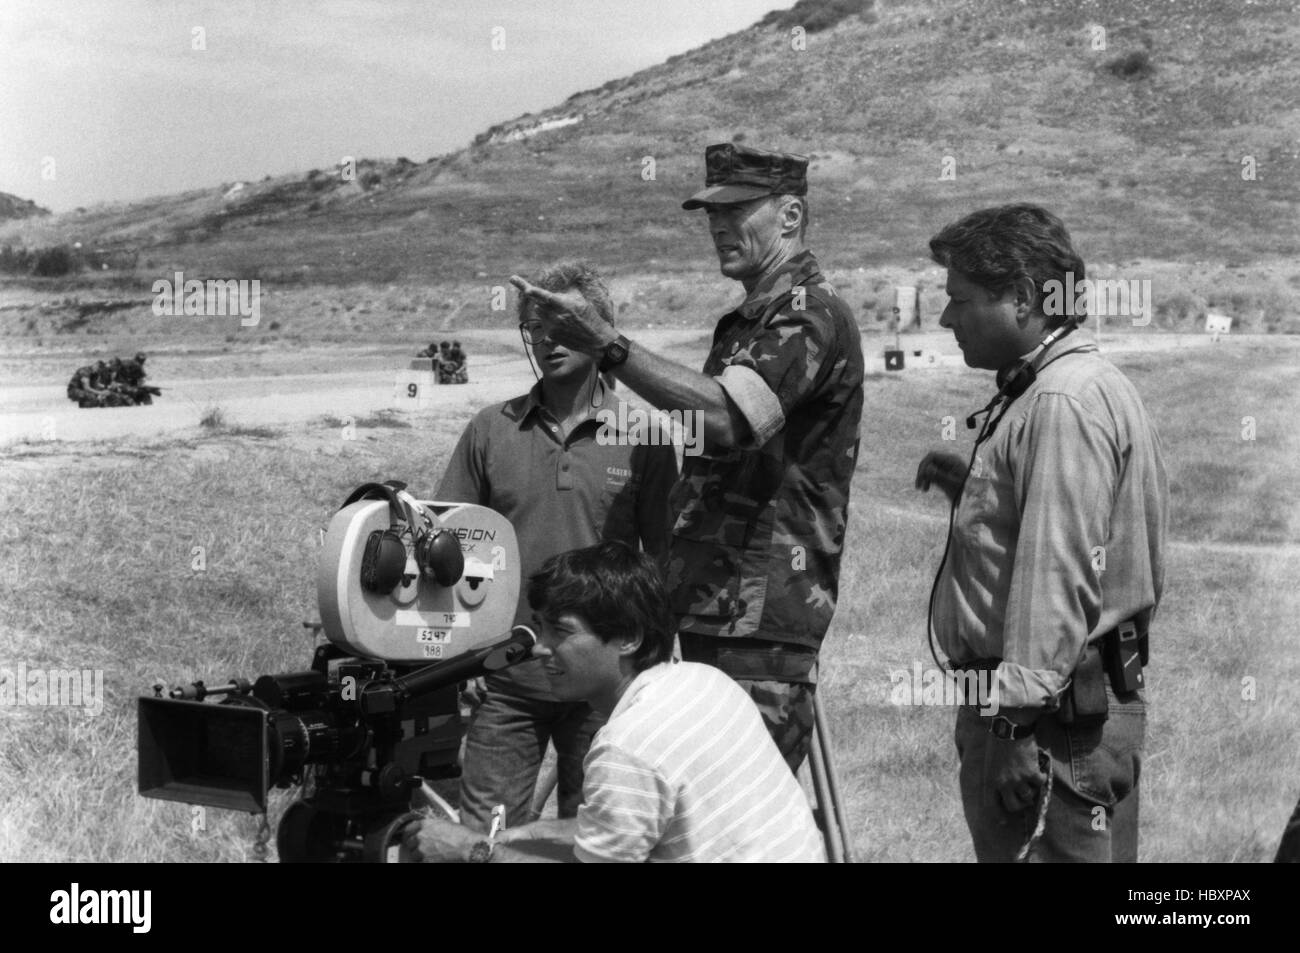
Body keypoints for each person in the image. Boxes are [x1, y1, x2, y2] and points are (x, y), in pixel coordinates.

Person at [511, 143, 864, 771]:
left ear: (790, 216)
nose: (719, 227)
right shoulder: (748, 322)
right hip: (711, 605)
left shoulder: (809, 314)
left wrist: (607, 344)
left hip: (759, 619)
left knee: (742, 819)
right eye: (710, 215)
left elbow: (727, 420)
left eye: (737, 211)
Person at [915, 203, 1168, 862]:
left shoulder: (1059, 402)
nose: (946, 318)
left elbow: (1055, 581)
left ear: (1025, 298)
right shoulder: (1072, 386)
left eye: (961, 300)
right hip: (1065, 715)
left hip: (1049, 728)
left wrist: (1010, 724)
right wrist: (973, 497)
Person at [435, 261, 677, 834]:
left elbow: (662, 564)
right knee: (486, 838)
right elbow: (447, 551)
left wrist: (650, 667)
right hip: (505, 678)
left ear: (600, 330)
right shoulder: (491, 430)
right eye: (535, 329)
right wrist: (458, 657)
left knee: (599, 834)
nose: (548, 342)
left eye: (564, 325)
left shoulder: (644, 436)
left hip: (603, 683)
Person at [402, 541, 825, 863]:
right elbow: (613, 829)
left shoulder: (628, 747)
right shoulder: (703, 682)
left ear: (628, 637)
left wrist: (474, 850)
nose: (540, 648)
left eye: (560, 632)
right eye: (540, 629)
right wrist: (519, 838)